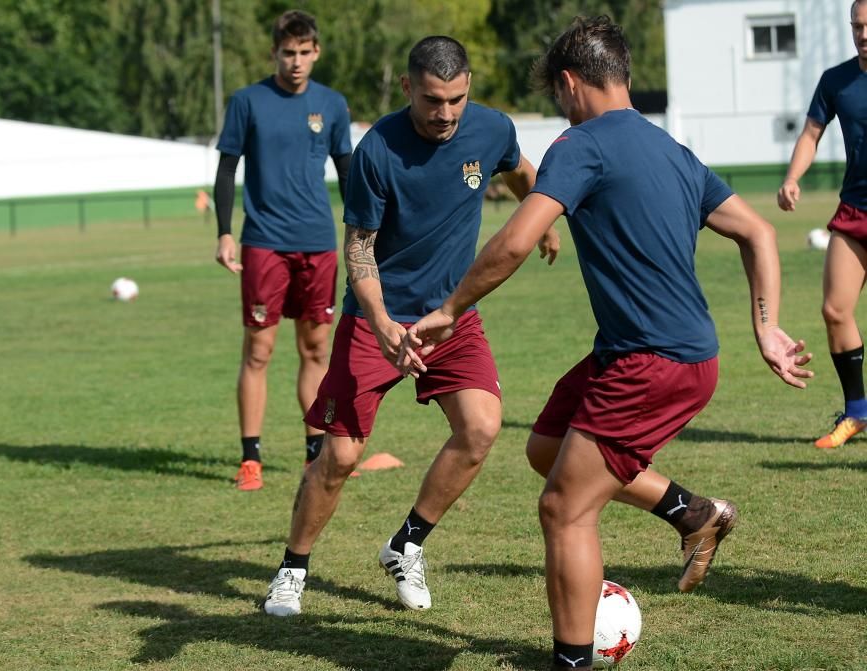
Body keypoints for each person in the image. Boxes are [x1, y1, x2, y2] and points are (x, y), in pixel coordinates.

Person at [400, 17, 811, 671]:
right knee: (546, 449)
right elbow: (758, 232)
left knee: (565, 507)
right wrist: (765, 325)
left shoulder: (578, 144)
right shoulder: (670, 147)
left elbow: (512, 241)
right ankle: (693, 512)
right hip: (650, 351)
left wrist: (450, 308)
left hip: (652, 360)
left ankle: (571, 662)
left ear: (569, 83)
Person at [261, 35, 561, 617]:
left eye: (455, 99)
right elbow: (360, 251)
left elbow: (520, 170)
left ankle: (406, 544)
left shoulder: (490, 128)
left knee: (480, 428)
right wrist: (381, 326)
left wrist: (540, 220)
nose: (445, 113)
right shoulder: (377, 151)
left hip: (452, 317)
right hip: (377, 319)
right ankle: (292, 569)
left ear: (468, 86)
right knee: (341, 456)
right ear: (407, 88)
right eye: (431, 100)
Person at [214, 10, 353, 491]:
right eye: (287, 53)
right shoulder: (247, 101)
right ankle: (250, 458)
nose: (296, 62)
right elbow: (227, 169)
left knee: (315, 349)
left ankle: (315, 452)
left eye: (304, 52)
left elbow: (347, 168)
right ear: (274, 53)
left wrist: (366, 228)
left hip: (318, 242)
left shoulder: (332, 104)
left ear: (316, 52)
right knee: (259, 350)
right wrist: (224, 232)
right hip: (264, 243)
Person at [778, 0, 867, 449]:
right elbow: (812, 133)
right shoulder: (837, 81)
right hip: (855, 212)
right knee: (835, 310)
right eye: (857, 26)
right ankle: (857, 413)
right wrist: (793, 178)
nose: (864, 34)